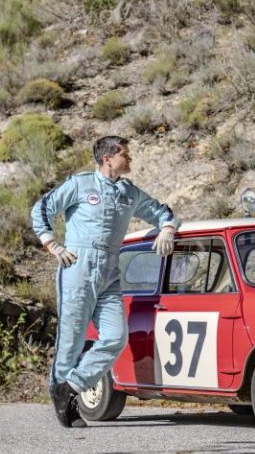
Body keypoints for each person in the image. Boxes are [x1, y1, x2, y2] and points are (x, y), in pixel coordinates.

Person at [31, 136, 179, 428]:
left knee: (116, 337)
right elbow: (42, 208)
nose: (130, 159)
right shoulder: (80, 184)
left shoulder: (129, 192)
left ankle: (70, 386)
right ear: (108, 158)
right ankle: (65, 403)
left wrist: (168, 228)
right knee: (72, 339)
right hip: (78, 267)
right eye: (125, 154)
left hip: (110, 272)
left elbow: (161, 211)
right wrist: (52, 244)